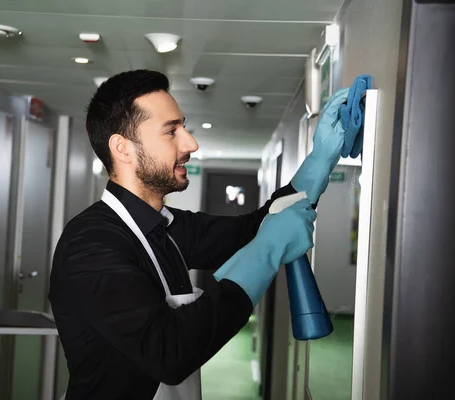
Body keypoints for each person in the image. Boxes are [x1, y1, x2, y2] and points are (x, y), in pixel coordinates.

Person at [48, 69, 353, 400]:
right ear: (122, 148)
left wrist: (321, 158)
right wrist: (265, 250)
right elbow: (170, 353)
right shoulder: (90, 244)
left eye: (184, 127)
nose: (190, 143)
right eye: (171, 131)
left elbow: (260, 225)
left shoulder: (168, 227)